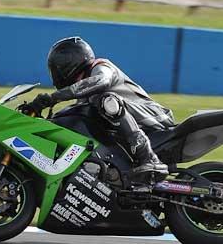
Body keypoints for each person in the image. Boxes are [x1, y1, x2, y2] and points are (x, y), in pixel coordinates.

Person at [28, 36, 174, 177]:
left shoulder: (101, 67)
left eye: (58, 67)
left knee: (106, 100)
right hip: (131, 125)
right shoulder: (84, 94)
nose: (56, 73)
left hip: (155, 117)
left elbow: (101, 81)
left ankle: (148, 158)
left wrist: (54, 97)